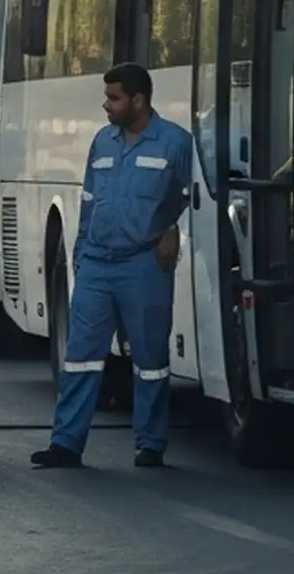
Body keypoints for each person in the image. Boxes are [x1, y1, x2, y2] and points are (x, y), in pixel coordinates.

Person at [33, 63, 193, 471]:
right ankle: (65, 444)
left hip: (144, 266)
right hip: (98, 266)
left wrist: (175, 228)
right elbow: (88, 202)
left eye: (114, 98)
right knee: (81, 357)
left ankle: (150, 444)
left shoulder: (176, 143)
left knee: (150, 360)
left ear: (138, 100)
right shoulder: (102, 142)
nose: (106, 105)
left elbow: (197, 201)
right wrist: (82, 257)